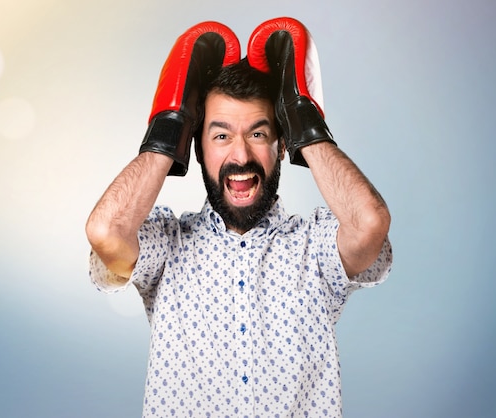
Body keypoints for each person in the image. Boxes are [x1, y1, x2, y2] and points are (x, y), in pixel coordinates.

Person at [86, 17, 392, 418]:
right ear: (195, 148)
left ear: (282, 146)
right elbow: (105, 231)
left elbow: (369, 225)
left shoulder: (315, 246)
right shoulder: (166, 244)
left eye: (259, 134)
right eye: (221, 135)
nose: (242, 156)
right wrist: (170, 125)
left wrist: (303, 120)